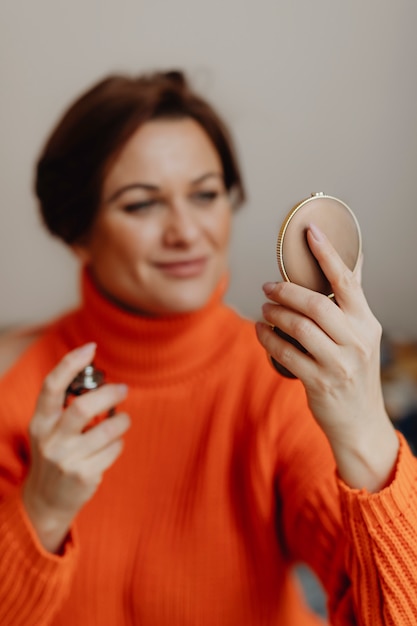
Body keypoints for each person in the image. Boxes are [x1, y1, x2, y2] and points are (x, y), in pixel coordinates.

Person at [0, 70, 416, 626]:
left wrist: (365, 426)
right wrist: (42, 511)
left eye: (205, 194)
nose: (187, 232)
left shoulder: (280, 381)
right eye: (142, 204)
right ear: (77, 232)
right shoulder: (18, 386)